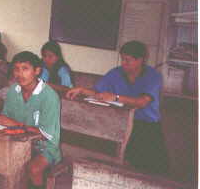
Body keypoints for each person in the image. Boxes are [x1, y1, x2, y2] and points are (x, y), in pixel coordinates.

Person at [66, 40, 168, 175]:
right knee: (118, 162)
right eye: (122, 59)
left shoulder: (153, 76)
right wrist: (81, 90)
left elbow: (142, 102)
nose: (123, 64)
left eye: (128, 60)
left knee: (151, 170)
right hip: (121, 121)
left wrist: (116, 97)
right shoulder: (116, 73)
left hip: (146, 124)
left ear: (140, 60)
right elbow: (100, 93)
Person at [0, 51, 61, 189]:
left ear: (37, 71)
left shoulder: (49, 96)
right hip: (16, 141)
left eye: (25, 68)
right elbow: (5, 120)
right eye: (16, 69)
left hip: (44, 146)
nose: (19, 74)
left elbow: (45, 134)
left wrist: (14, 124)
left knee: (34, 169)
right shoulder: (14, 91)